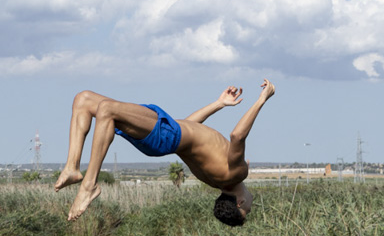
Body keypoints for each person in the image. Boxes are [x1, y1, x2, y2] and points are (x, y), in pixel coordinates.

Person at [55, 80, 277, 224]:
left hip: (166, 136)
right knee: (83, 99)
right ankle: (72, 168)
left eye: (249, 207)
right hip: (169, 131)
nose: (251, 202)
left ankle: (89, 185)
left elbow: (237, 136)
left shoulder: (236, 174)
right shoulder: (213, 178)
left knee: (106, 110)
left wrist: (261, 99)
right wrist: (219, 103)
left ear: (240, 203)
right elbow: (190, 127)